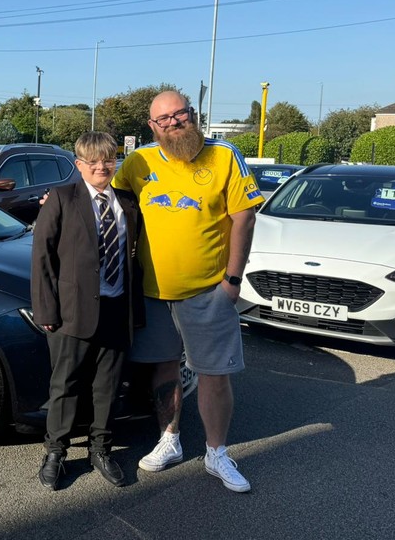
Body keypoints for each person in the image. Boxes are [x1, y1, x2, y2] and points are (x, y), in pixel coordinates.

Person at [112, 90, 263, 493]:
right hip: (152, 291)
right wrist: (56, 202)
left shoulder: (224, 155)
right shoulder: (139, 160)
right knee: (164, 367)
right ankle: (170, 440)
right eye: (165, 119)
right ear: (153, 126)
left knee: (214, 375)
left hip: (208, 292)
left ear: (192, 115)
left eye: (180, 114)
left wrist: (232, 281)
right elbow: (105, 197)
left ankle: (217, 453)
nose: (175, 123)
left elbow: (244, 218)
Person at [31, 132, 144, 491]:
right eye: (93, 161)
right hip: (71, 313)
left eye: (108, 160)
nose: (101, 167)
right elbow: (42, 258)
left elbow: (136, 259)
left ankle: (101, 449)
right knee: (65, 385)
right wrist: (46, 309)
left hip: (116, 308)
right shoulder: (62, 199)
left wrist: (135, 310)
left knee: (107, 387)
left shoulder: (127, 202)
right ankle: (56, 452)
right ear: (79, 165)